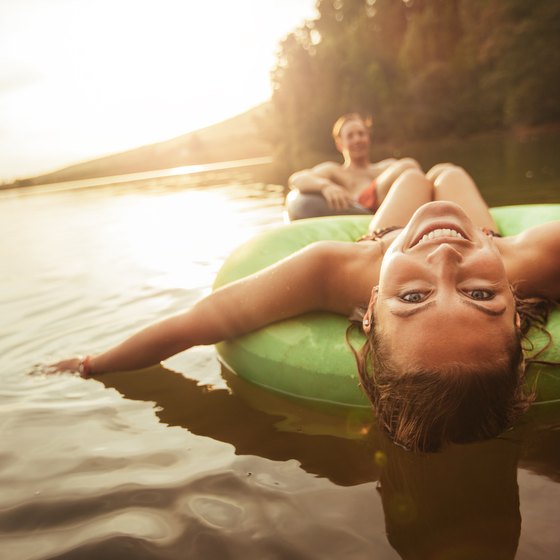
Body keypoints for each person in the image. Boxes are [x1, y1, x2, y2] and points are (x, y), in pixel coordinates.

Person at [52, 164, 560, 452]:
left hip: (387, 240)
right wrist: (481, 248)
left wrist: (92, 364)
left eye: (413, 298)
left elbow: (195, 325)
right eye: (479, 295)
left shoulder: (333, 271)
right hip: (488, 239)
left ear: (371, 311)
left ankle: (386, 182)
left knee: (412, 174)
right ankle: (381, 178)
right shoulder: (536, 257)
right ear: (516, 310)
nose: (445, 259)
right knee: (445, 172)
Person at [285, 113, 420, 220]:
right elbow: (297, 179)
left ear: (368, 138)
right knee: (408, 166)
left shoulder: (386, 166)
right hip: (363, 209)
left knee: (439, 172)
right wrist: (326, 186)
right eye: (350, 136)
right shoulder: (334, 171)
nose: (357, 139)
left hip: (396, 206)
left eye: (361, 134)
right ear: (340, 144)